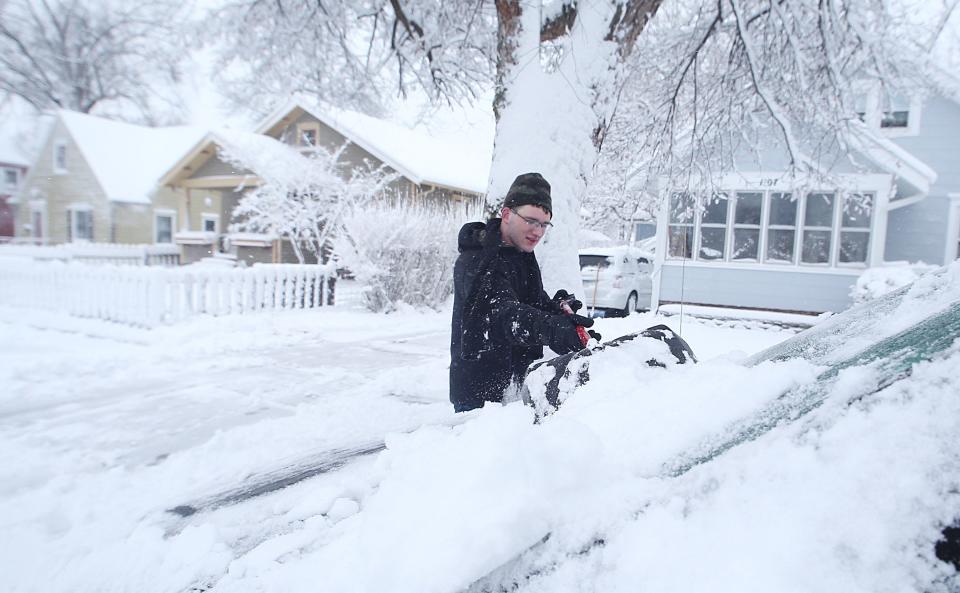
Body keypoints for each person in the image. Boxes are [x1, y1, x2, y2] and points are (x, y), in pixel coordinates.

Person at [449, 172, 597, 413]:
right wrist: (551, 329)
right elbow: (502, 315)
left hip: (516, 383)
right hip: (480, 396)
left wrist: (557, 308)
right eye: (531, 221)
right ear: (506, 214)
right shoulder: (477, 259)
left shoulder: (521, 255)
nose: (538, 231)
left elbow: (530, 303)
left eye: (544, 224)